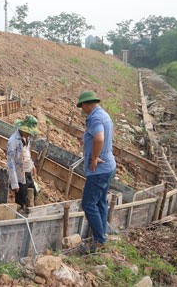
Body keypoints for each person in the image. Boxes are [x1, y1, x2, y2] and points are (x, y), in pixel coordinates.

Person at [76, 91, 117, 250]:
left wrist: (94, 158)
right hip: (108, 166)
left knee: (88, 204)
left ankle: (99, 240)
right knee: (100, 202)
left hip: (99, 170)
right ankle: (101, 236)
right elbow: (100, 137)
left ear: (86, 104)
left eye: (82, 107)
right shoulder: (104, 114)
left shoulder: (94, 117)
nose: (82, 110)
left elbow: (99, 138)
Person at [7, 115, 40, 211]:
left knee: (33, 194)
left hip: (27, 171)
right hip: (19, 174)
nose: (29, 134)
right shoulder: (13, 141)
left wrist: (32, 165)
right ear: (22, 129)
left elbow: (26, 153)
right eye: (28, 132)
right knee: (22, 201)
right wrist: (14, 183)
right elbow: (10, 163)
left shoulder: (26, 138)